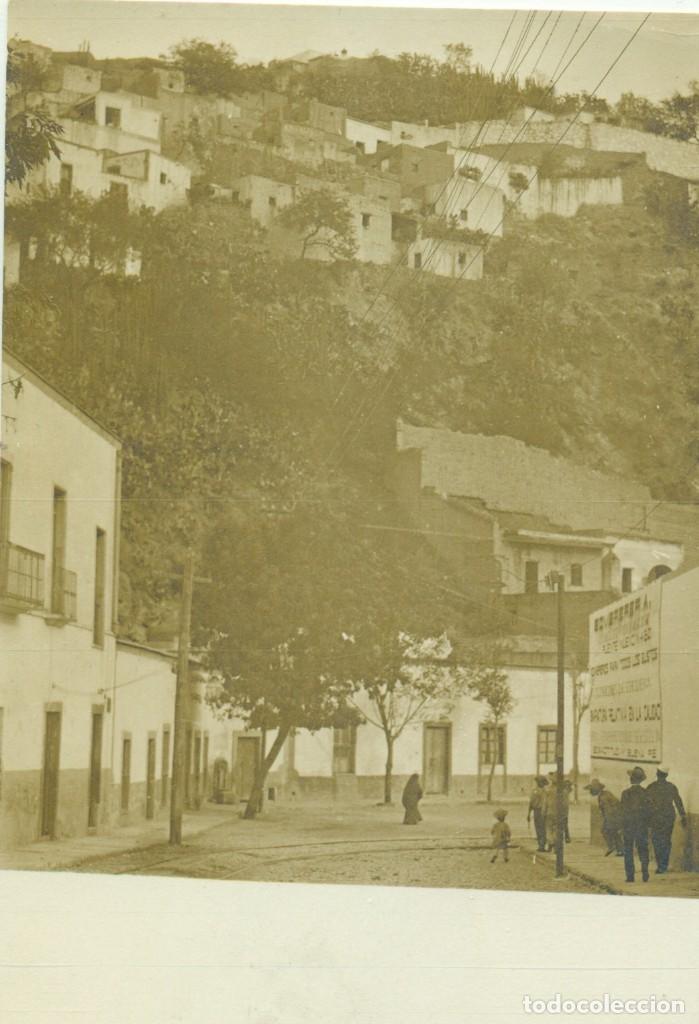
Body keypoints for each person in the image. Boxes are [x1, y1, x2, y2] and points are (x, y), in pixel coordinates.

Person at [645, 767, 687, 874]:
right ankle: (664, 865)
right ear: (666, 775)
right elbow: (678, 802)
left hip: (655, 817)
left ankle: (661, 865)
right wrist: (683, 816)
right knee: (666, 840)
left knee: (656, 840)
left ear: (657, 774)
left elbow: (645, 803)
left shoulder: (651, 787)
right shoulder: (671, 787)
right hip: (668, 816)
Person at [620, 766, 651, 883]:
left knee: (628, 850)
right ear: (641, 780)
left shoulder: (625, 793)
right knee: (643, 849)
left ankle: (630, 876)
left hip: (628, 826)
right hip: (641, 826)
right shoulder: (645, 793)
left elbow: (622, 812)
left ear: (630, 780)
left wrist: (621, 827)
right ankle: (645, 872)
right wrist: (648, 825)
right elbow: (649, 811)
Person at [584, 778, 623, 856]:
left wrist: (609, 821)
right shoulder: (604, 794)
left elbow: (609, 810)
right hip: (614, 816)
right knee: (614, 833)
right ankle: (619, 850)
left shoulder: (603, 797)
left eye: (591, 790)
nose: (590, 792)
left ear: (596, 790)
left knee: (606, 831)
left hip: (613, 817)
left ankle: (612, 847)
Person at [527, 775, 549, 852]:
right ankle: (541, 845)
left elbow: (531, 803)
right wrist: (529, 813)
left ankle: (541, 845)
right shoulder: (543, 792)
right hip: (538, 811)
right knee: (541, 828)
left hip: (539, 811)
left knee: (540, 828)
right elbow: (531, 803)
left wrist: (529, 813)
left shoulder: (537, 791)